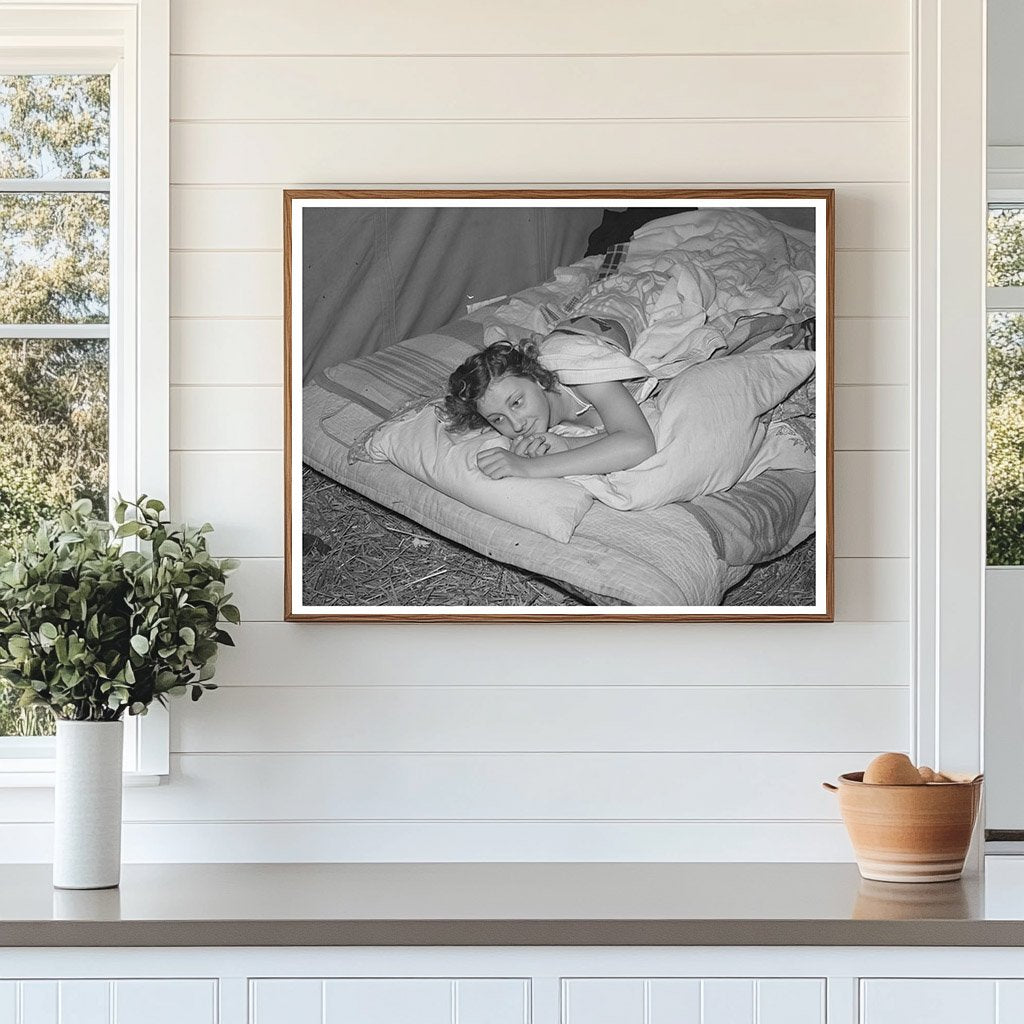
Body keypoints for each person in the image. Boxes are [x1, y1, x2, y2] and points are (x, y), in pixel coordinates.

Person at [441, 337, 656, 480]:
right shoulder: (536, 415)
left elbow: (639, 443)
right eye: (497, 419)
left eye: (516, 402)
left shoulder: (585, 378)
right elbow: (619, 435)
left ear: (538, 378)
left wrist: (529, 468)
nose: (516, 425)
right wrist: (567, 444)